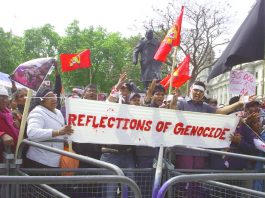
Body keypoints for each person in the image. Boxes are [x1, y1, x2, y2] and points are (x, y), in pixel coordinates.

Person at [25, 87, 74, 168]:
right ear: (41, 100)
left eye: (54, 96)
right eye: (49, 97)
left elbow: (61, 130)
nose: (53, 99)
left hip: (56, 158)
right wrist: (58, 132)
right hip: (40, 160)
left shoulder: (58, 112)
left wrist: (66, 135)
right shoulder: (37, 112)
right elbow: (32, 133)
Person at [72, 84, 102, 168]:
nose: (92, 93)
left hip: (96, 148)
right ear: (84, 93)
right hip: (80, 148)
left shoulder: (101, 107)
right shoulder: (76, 106)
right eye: (89, 91)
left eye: (94, 91)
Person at [0, 86, 19, 162]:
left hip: (10, 156)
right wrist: (2, 134)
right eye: (1, 97)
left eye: (6, 97)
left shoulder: (8, 113)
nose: (5, 100)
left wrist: (17, 127)